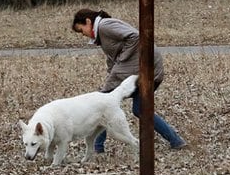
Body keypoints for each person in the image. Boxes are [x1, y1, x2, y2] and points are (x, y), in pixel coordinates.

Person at [71, 9, 187, 151]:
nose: (83, 34)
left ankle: (97, 148)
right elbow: (113, 58)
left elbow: (135, 37)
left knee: (101, 104)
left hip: (145, 67)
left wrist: (122, 59)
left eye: (81, 30)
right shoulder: (102, 33)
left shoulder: (105, 26)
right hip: (146, 69)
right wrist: (114, 70)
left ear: (88, 22)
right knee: (140, 109)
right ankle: (176, 141)